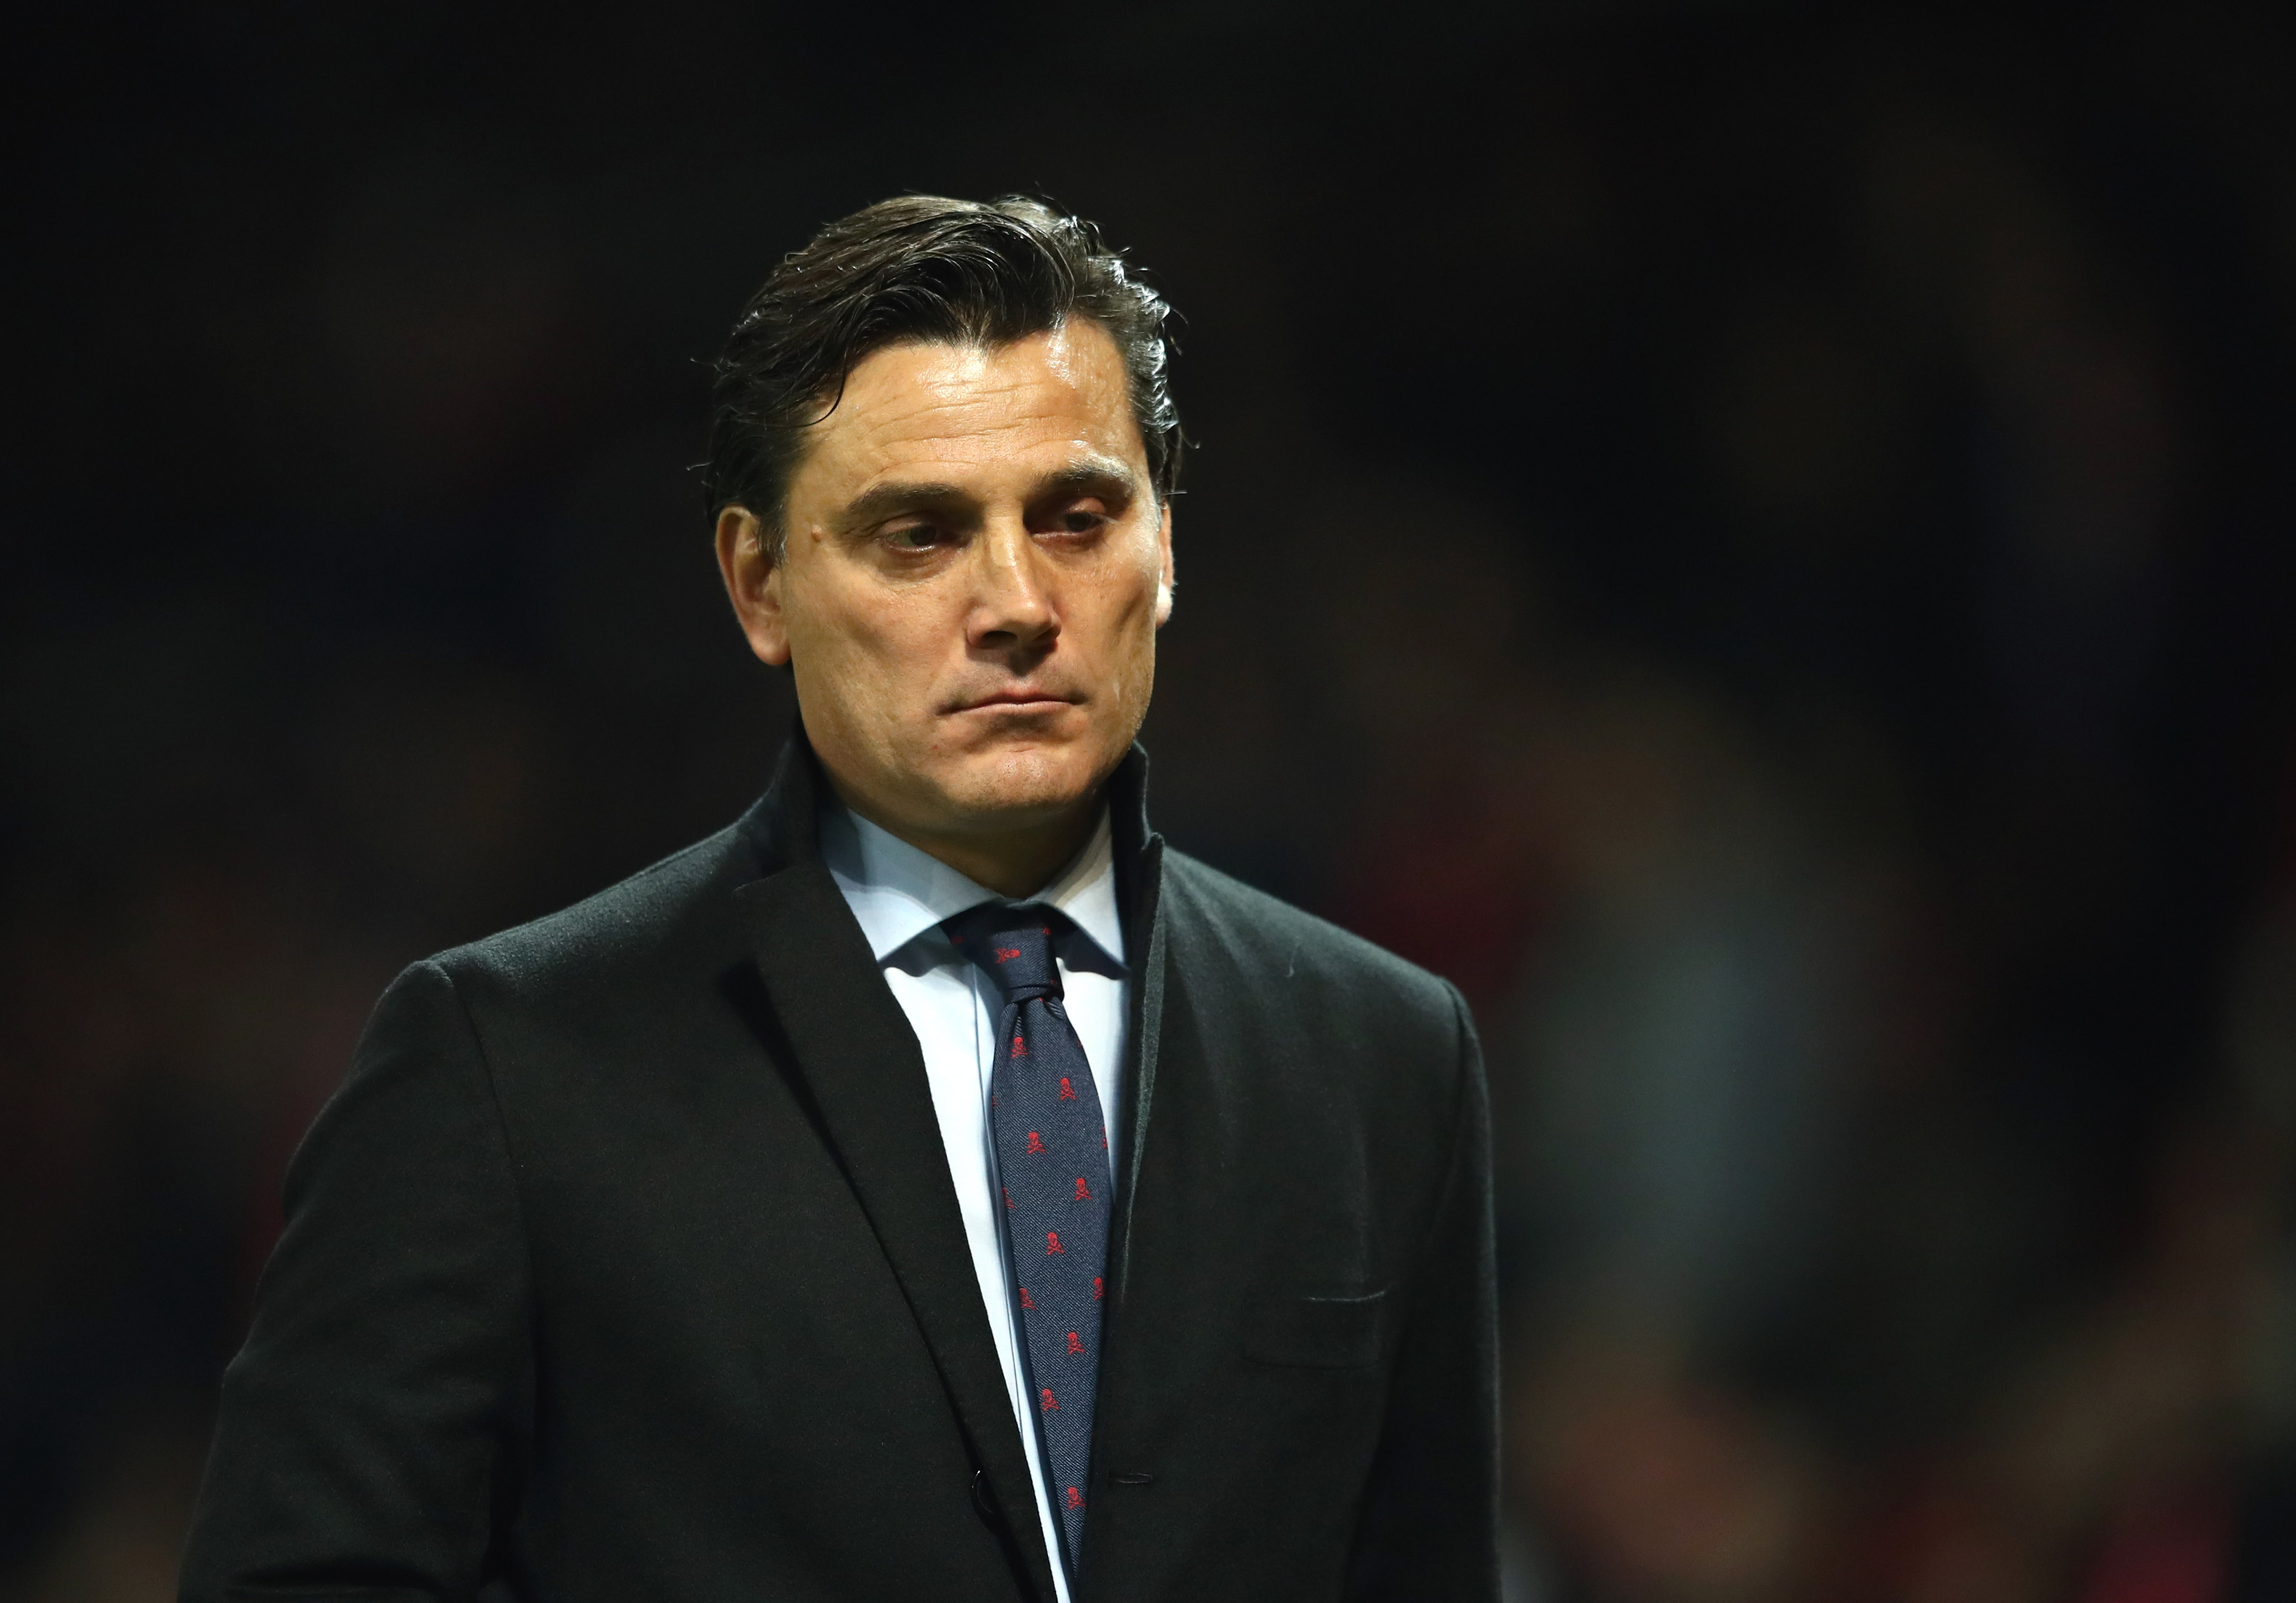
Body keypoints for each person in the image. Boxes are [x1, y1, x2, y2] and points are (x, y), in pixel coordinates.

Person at [178, 195, 1499, 1602]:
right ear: (759, 584)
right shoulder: (508, 1066)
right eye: (918, 535)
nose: (1014, 601)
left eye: (1075, 516)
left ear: (1163, 546)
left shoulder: (1382, 1057)